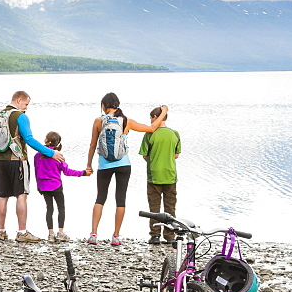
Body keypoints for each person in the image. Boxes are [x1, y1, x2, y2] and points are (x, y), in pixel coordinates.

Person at [84, 93, 167, 246]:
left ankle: (93, 234)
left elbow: (92, 145)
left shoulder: (98, 121)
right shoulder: (126, 121)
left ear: (104, 105)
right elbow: (151, 128)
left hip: (104, 165)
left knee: (100, 198)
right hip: (123, 164)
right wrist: (164, 112)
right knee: (120, 199)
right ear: (117, 105)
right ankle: (116, 236)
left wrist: (89, 165)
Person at [0, 90, 64, 242]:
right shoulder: (20, 116)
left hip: (0, 160)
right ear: (19, 100)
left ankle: (1, 231)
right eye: (26, 104)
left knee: (3, 195)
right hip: (18, 160)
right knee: (21, 194)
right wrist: (51, 153)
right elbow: (29, 139)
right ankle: (22, 232)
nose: (26, 107)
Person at [34, 131, 91, 243]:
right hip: (56, 186)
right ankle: (60, 233)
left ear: (46, 140)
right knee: (61, 208)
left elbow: (36, 171)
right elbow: (67, 172)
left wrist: (38, 186)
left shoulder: (37, 156)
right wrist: (83, 173)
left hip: (43, 186)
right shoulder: (58, 156)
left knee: (49, 208)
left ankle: (51, 234)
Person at [139, 106, 182, 245]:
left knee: (154, 208)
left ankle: (155, 235)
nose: (151, 121)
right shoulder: (174, 134)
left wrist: (154, 159)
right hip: (170, 175)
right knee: (170, 206)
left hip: (154, 175)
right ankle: (170, 236)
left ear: (156, 118)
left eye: (151, 118)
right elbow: (176, 155)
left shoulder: (149, 134)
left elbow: (145, 155)